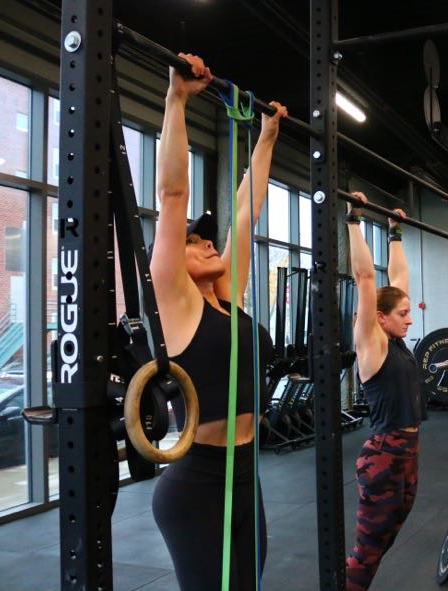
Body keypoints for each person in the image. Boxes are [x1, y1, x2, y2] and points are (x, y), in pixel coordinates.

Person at [148, 53, 287, 590]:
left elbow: (246, 209)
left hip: (245, 474)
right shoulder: (177, 301)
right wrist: (177, 99)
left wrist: (268, 136)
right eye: (194, 241)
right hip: (197, 483)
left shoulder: (227, 298)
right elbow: (172, 195)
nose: (207, 241)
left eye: (209, 238)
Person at [344, 192, 421, 591]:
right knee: (368, 549)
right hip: (384, 456)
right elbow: (366, 278)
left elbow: (399, 278)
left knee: (386, 538)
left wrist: (396, 232)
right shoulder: (372, 346)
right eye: (403, 314)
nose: (410, 320)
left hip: (408, 454)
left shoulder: (398, 342)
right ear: (380, 318)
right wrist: (354, 220)